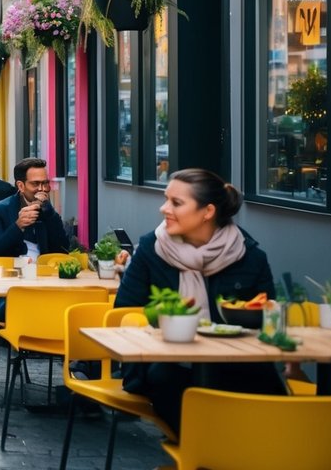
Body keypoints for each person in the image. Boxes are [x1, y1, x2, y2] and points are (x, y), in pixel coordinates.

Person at [113, 168, 283, 433]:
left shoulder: (248, 255)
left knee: (267, 386)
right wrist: (158, 315)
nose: (164, 208)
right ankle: (206, 454)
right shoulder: (151, 249)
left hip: (236, 363)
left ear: (208, 212)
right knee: (166, 379)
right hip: (164, 364)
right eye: (166, 199)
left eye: (176, 203)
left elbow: (268, 315)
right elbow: (124, 312)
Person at [0, 157, 69, 321]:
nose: (42, 189)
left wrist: (49, 214)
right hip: (8, 283)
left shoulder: (49, 212)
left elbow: (64, 250)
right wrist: (17, 226)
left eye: (45, 183)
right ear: (21, 186)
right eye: (35, 184)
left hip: (45, 282)